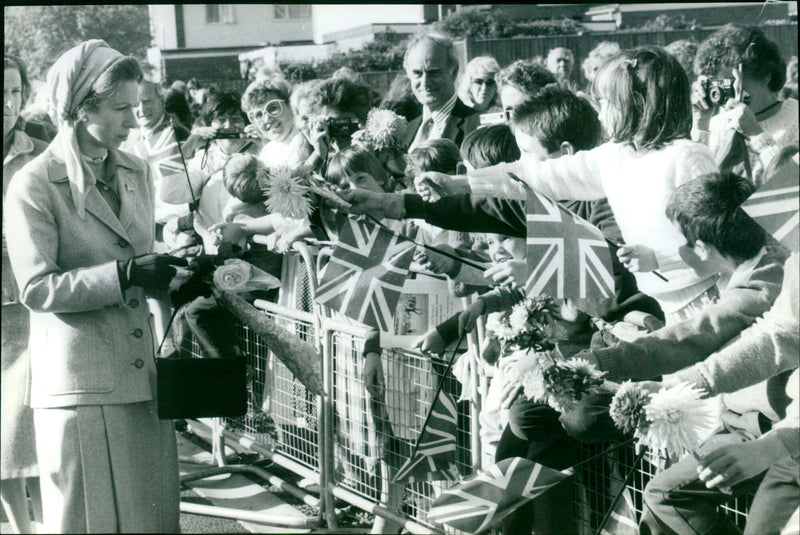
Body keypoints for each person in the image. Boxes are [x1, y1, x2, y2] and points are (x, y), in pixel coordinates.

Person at [4, 39, 185, 533]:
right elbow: (37, 288)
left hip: (141, 377)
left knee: (151, 520)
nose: (134, 119)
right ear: (83, 108)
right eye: (121, 108)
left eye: (136, 105)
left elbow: (141, 254)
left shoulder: (136, 169)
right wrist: (124, 276)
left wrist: (176, 278)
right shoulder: (33, 184)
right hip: (79, 385)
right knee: (89, 521)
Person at [415, 47, 723, 324]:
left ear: (639, 105)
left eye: (608, 103)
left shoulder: (687, 157)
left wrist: (657, 258)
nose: (601, 113)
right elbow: (536, 175)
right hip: (667, 306)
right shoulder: (613, 156)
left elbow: (717, 240)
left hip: (708, 299)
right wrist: (460, 183)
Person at [2, 54, 47, 535]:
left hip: (34, 306)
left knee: (31, 425)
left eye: (15, 91)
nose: (7, 102)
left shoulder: (40, 153)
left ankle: (49, 522)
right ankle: (21, 528)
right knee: (4, 435)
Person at [692, 24, 798, 186]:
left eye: (729, 83)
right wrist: (701, 126)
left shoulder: (795, 119)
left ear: (765, 76)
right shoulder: (716, 125)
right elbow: (698, 192)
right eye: (717, 86)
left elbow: (791, 187)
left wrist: (757, 135)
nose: (723, 94)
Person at [402, 33, 480, 152]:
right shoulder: (406, 131)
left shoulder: (477, 127)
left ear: (454, 73)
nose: (425, 82)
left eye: (434, 73)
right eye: (417, 73)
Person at [241, 74, 311, 170]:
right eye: (259, 115)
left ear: (290, 105)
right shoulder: (268, 150)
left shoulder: (303, 141)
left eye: (273, 108)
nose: (267, 119)